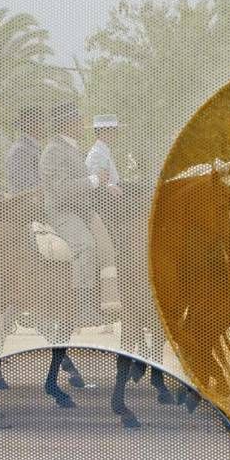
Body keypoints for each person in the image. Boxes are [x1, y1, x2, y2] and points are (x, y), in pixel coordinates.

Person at [39, 101, 110, 329]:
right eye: (79, 120)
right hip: (61, 211)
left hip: (80, 209)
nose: (83, 124)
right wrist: (94, 180)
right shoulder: (53, 151)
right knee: (86, 245)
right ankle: (84, 309)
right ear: (67, 124)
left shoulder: (72, 147)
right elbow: (61, 189)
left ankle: (107, 301)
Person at [85, 114, 123, 314]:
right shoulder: (96, 154)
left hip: (111, 200)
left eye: (114, 130)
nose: (114, 134)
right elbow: (96, 181)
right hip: (104, 206)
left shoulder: (105, 151)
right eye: (111, 130)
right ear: (103, 132)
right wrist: (110, 187)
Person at [6, 106, 45, 195]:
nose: (44, 126)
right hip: (27, 205)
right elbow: (25, 185)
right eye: (42, 122)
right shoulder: (20, 150)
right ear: (33, 124)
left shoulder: (33, 147)